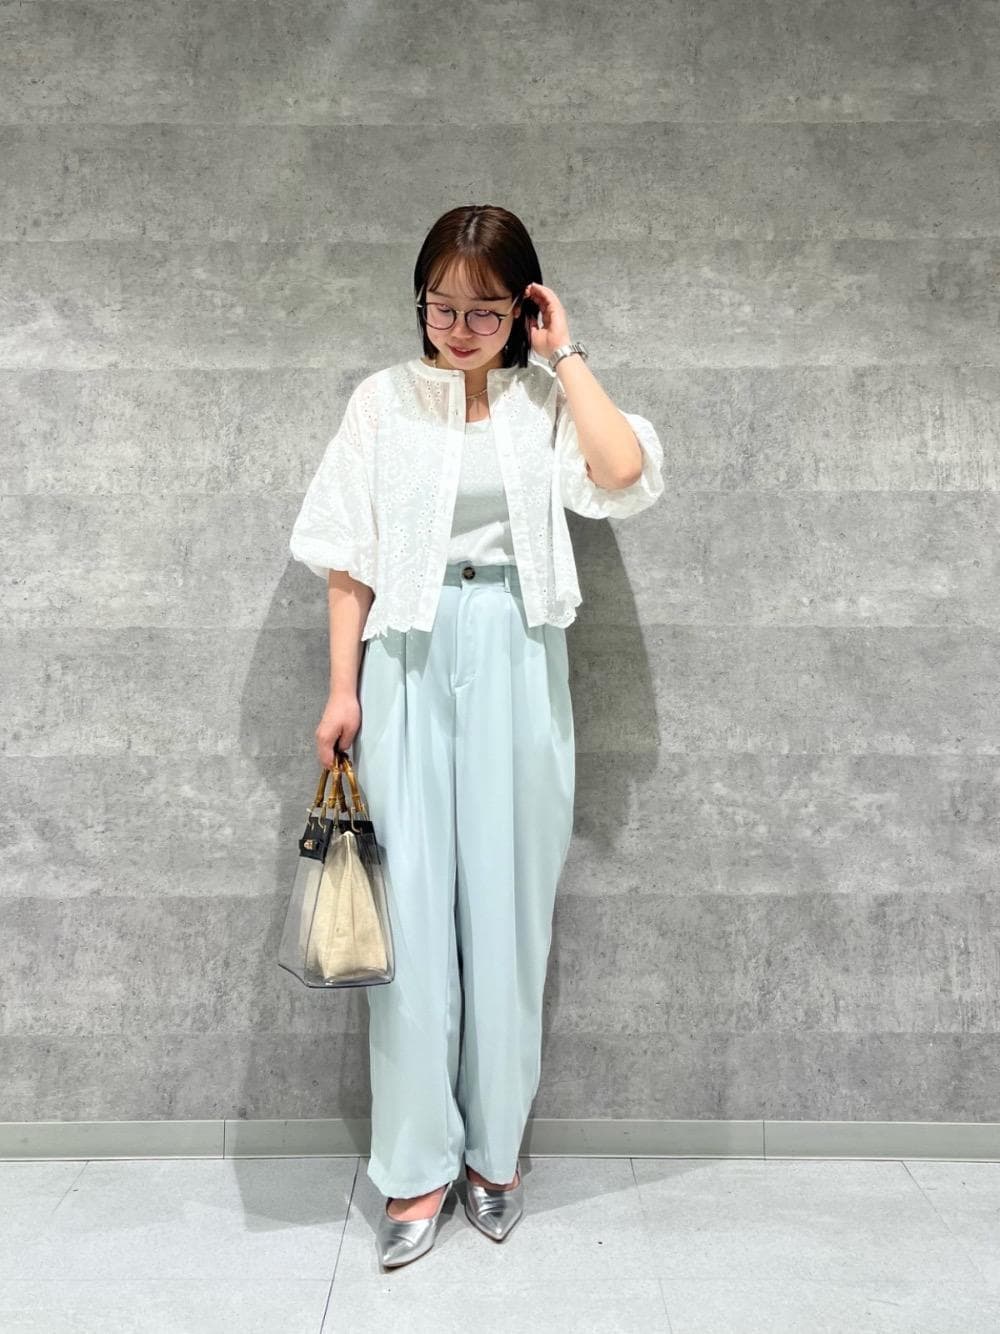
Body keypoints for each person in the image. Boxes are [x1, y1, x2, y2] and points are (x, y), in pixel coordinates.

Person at [289, 204, 665, 1269]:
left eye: (485, 311)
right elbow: (348, 555)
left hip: (516, 648)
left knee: (508, 914)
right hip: (407, 654)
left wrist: (566, 354)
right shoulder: (380, 401)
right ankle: (416, 1165)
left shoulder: (545, 402)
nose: (458, 329)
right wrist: (342, 690)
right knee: (407, 919)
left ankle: (495, 1155)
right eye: (441, 307)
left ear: (523, 308)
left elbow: (621, 473)